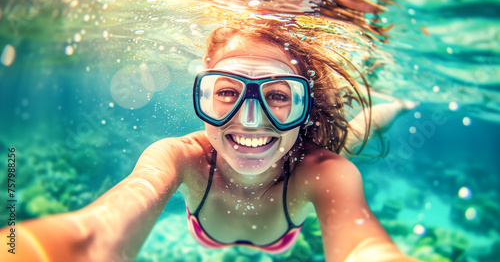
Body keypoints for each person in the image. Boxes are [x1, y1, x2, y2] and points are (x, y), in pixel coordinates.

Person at [0, 19, 420, 262]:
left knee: (355, 133)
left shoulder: (324, 170)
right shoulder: (179, 158)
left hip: (289, 210)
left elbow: (364, 247)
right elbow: (95, 233)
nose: (252, 121)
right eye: (226, 93)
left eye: (277, 95)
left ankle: (397, 103)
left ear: (302, 104)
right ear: (202, 96)